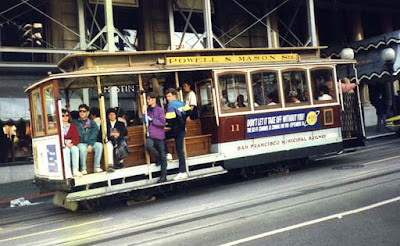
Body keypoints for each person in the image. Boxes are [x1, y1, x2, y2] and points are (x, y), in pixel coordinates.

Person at [164, 88, 189, 180]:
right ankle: (183, 171)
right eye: (167, 96)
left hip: (175, 130)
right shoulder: (181, 103)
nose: (168, 98)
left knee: (162, 137)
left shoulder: (171, 105)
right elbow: (189, 111)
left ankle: (182, 171)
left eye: (169, 96)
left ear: (174, 95)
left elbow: (169, 120)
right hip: (182, 129)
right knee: (180, 151)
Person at [143, 92, 167, 183]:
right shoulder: (148, 110)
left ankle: (163, 176)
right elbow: (145, 121)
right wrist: (143, 112)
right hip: (151, 135)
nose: (148, 101)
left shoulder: (160, 110)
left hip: (159, 135)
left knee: (163, 154)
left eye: (149, 99)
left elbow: (162, 123)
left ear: (153, 100)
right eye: (147, 99)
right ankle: (159, 158)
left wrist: (153, 120)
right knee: (148, 146)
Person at [74, 104, 103, 174]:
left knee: (99, 145)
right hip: (80, 143)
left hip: (91, 142)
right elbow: (77, 134)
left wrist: (90, 144)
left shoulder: (92, 123)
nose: (82, 113)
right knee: (82, 148)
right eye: (80, 111)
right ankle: (83, 168)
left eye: (84, 111)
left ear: (87, 112)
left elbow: (94, 134)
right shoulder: (75, 122)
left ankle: (97, 167)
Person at [61, 109, 81, 177]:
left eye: (67, 115)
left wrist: (71, 144)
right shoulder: (57, 127)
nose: (65, 117)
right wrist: (64, 144)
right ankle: (68, 171)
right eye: (63, 116)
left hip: (71, 143)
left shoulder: (73, 126)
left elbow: (76, 138)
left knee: (75, 149)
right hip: (62, 145)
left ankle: (75, 170)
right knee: (66, 151)